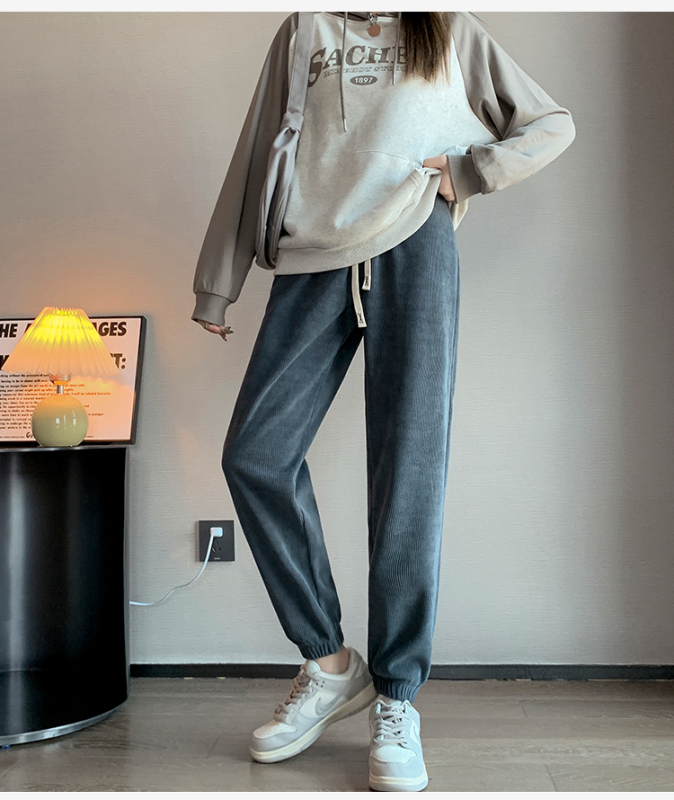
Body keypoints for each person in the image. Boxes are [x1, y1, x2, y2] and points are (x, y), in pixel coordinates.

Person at [192, 11, 575, 792]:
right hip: (314, 256)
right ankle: (331, 665)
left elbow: (551, 123)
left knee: (409, 476)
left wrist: (468, 172)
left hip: (416, 244)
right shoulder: (305, 28)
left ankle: (397, 696)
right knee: (256, 455)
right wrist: (217, 281)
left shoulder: (446, 27)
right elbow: (257, 149)